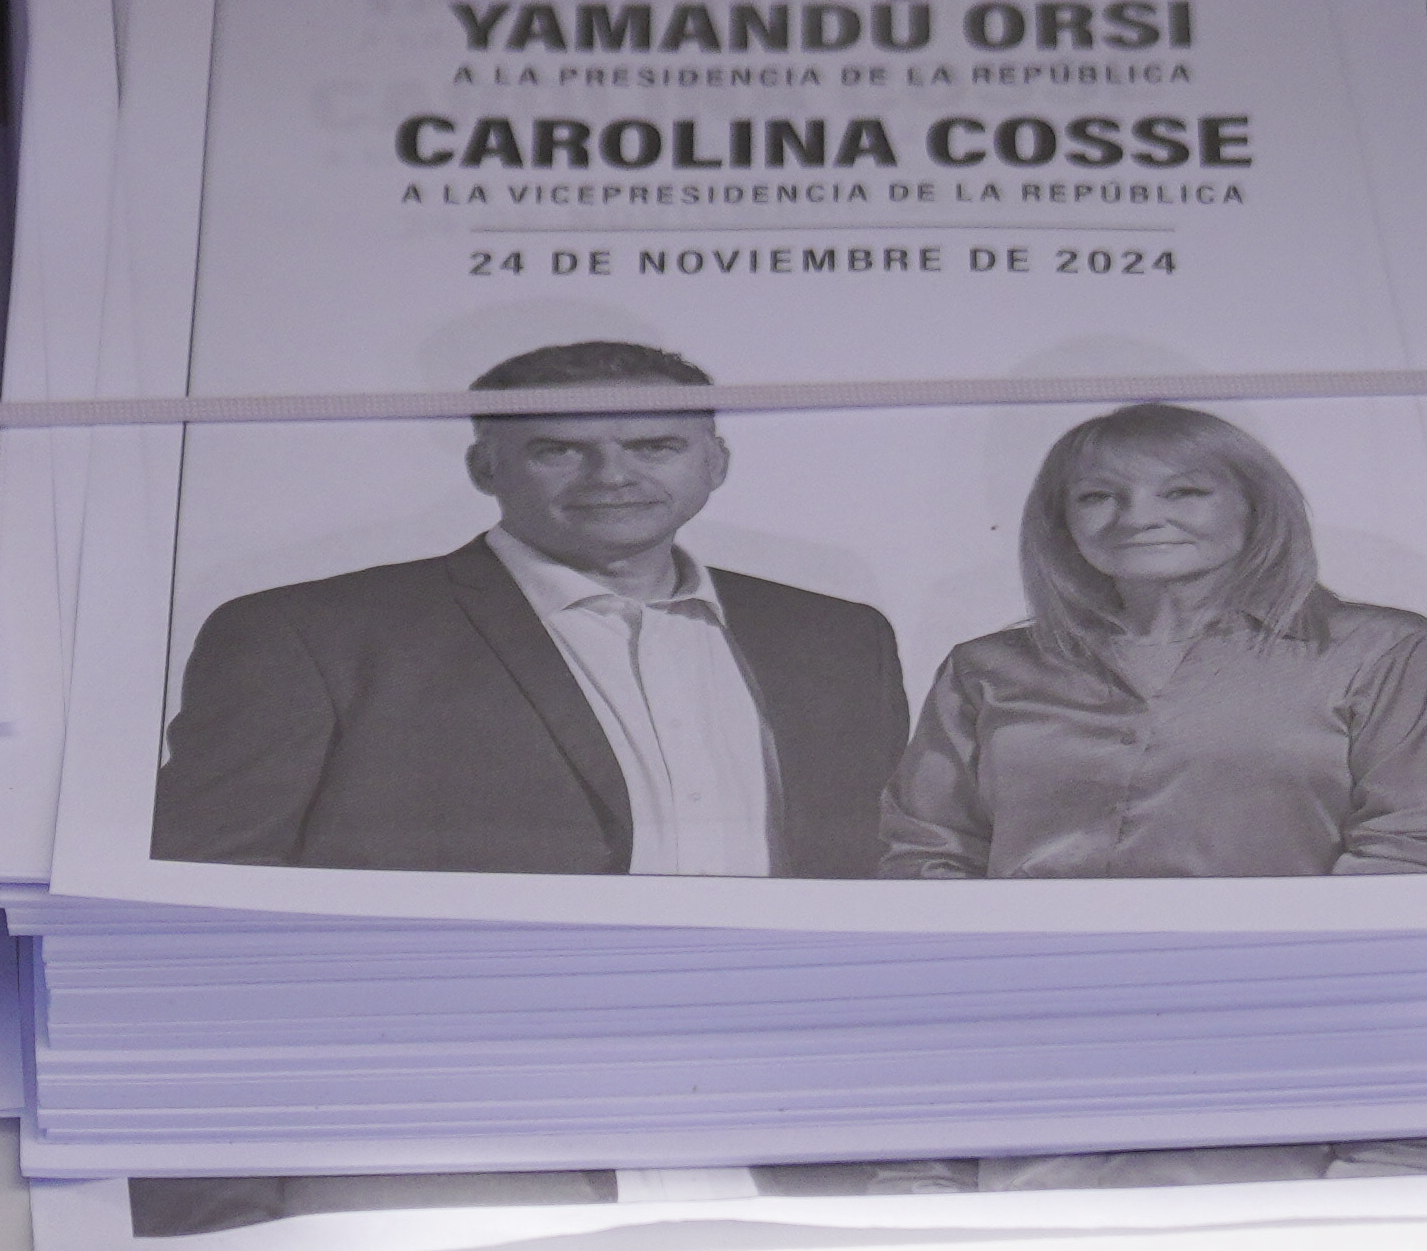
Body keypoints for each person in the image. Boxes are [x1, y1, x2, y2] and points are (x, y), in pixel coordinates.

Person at [149, 342, 906, 878]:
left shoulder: (840, 637)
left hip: (780, 1018)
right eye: (559, 450)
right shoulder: (310, 636)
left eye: (654, 444)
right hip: (459, 1047)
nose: (613, 476)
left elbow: (889, 862)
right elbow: (203, 882)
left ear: (715, 462)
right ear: (486, 466)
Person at [880, 400, 1427, 884]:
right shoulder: (985, 668)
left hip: (1279, 993)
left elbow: (1426, 848)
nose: (1138, 517)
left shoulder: (1388, 654)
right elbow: (929, 853)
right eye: (1097, 496)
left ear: (1255, 508)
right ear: (1060, 524)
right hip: (1037, 994)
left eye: (1184, 492)